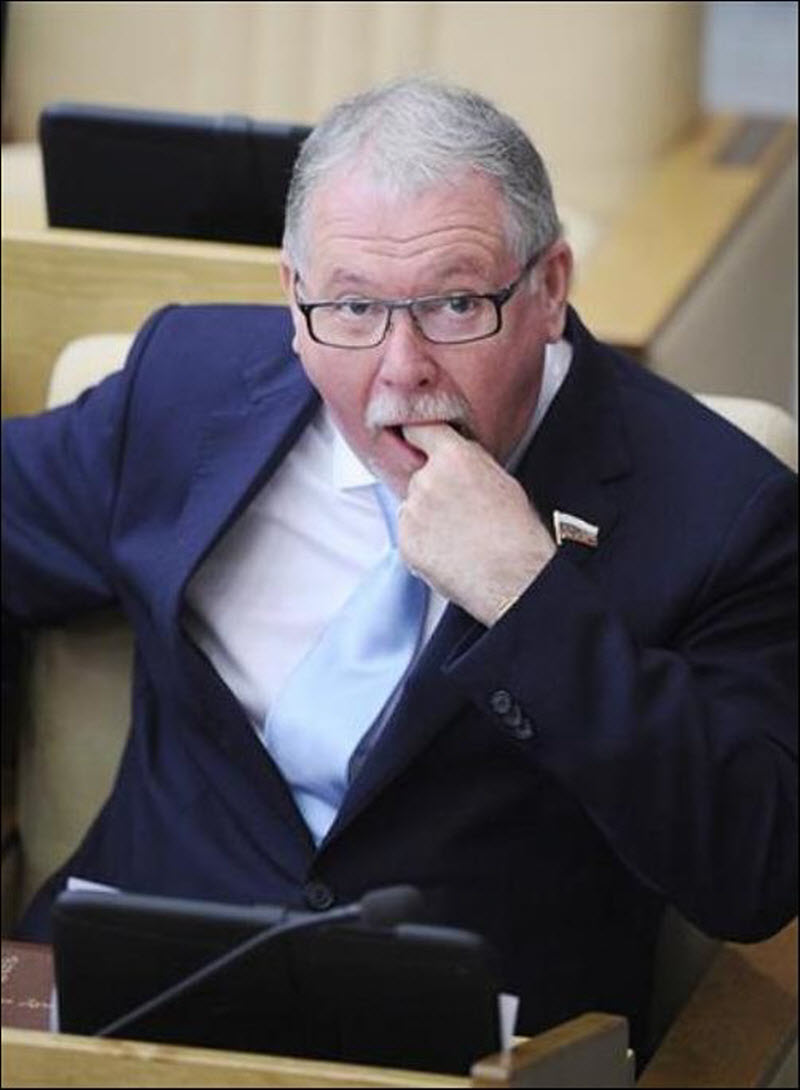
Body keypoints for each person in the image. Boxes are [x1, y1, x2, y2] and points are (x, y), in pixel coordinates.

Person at [2, 78, 796, 1062]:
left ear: (549, 288)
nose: (401, 366)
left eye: (455, 304)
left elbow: (752, 869)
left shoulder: (723, 510)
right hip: (109, 1021)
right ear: (293, 299)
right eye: (351, 305)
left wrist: (528, 596)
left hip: (463, 1049)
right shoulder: (187, 387)